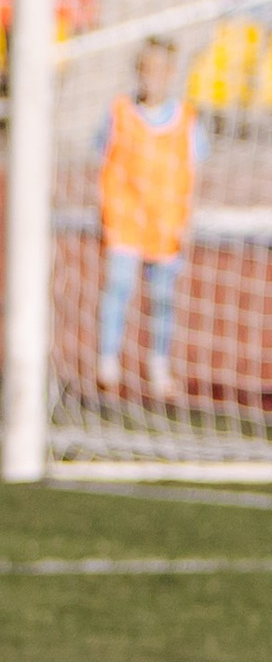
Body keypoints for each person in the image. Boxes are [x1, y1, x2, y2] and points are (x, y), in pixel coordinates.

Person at [95, 36, 205, 394]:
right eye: (147, 69)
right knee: (119, 288)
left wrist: (188, 217)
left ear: (171, 74)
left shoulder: (186, 119)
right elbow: (103, 158)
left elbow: (194, 169)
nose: (152, 77)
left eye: (160, 70)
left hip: (166, 221)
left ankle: (158, 364)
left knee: (162, 297)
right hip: (125, 216)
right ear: (138, 72)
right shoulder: (120, 113)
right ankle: (108, 361)